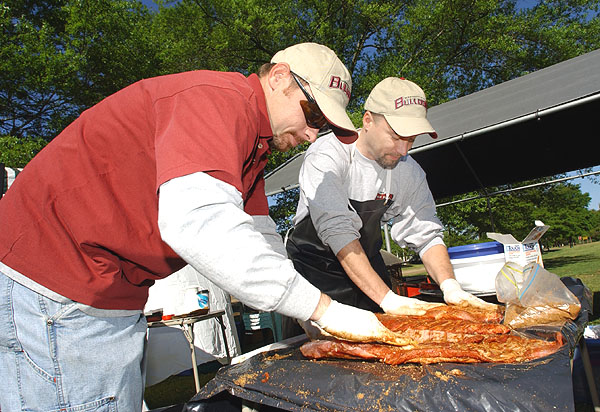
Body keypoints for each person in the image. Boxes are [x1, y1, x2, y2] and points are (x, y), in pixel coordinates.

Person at [0, 43, 392, 412]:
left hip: (108, 292)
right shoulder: (215, 100)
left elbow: (261, 238)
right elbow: (199, 223)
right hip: (56, 285)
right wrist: (326, 311)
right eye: (312, 115)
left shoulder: (252, 150)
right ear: (279, 77)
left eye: (322, 126)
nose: (311, 135)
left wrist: (310, 319)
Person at [285, 77, 496, 336]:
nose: (404, 150)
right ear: (367, 121)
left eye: (411, 140)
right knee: (323, 352)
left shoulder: (409, 172)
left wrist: (451, 287)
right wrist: (388, 299)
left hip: (367, 267)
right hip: (315, 271)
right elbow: (337, 229)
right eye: (396, 137)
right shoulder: (328, 154)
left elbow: (426, 233)